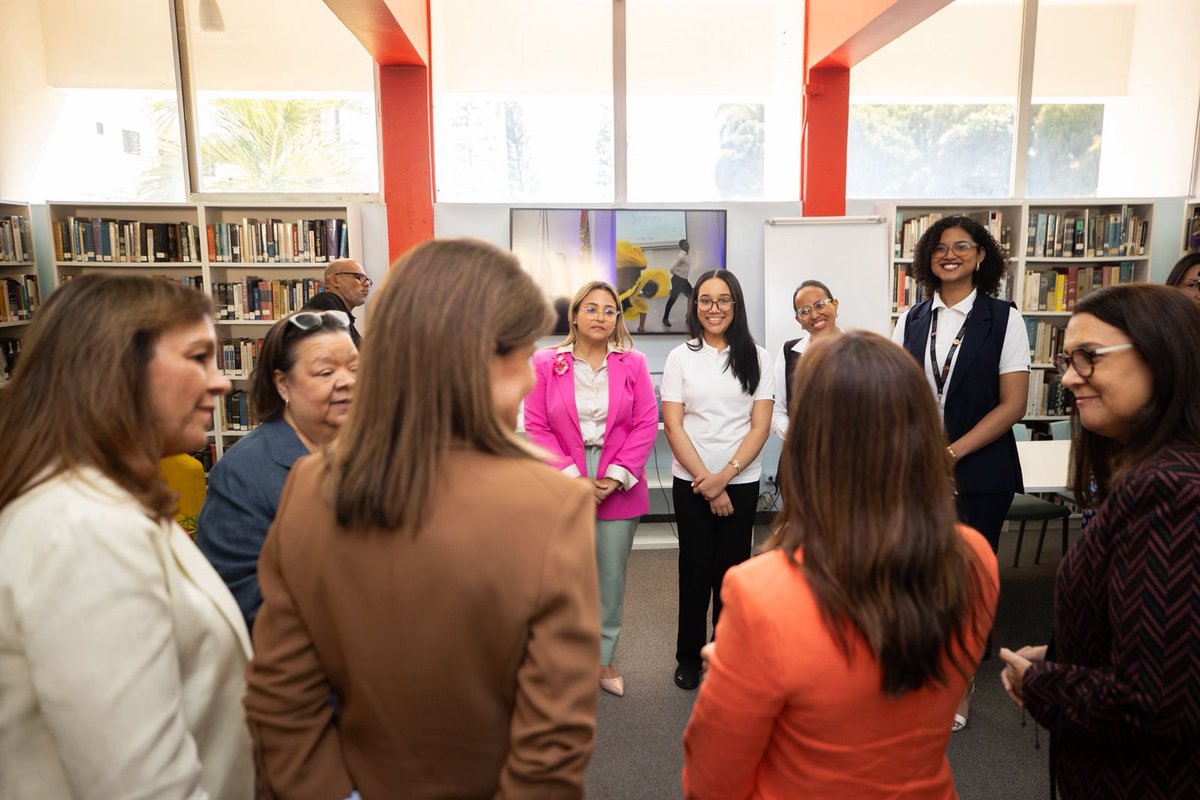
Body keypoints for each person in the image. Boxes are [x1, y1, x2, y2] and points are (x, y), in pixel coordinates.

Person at [244, 238, 600, 798]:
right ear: (472, 360)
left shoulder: (309, 487)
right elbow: (552, 741)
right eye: (521, 357)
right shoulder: (551, 507)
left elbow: (283, 697)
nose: (532, 379)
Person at [683, 332, 999, 799]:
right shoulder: (974, 558)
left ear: (810, 443)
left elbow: (712, 784)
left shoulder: (759, 591)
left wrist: (735, 674)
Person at [0, 275, 253, 799]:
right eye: (199, 357)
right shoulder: (85, 528)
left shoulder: (109, 503)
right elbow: (142, 785)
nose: (222, 382)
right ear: (117, 369)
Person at [1000, 285, 1200, 799]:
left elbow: (1156, 701)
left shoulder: (1168, 491)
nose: (1068, 377)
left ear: (1163, 355)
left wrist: (1043, 686)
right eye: (1068, 359)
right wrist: (1072, 654)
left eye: (1089, 358)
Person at [892, 214, 1029, 731]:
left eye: (962, 246)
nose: (950, 254)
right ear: (928, 258)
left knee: (968, 582)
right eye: (940, 247)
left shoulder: (1004, 318)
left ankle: (961, 682)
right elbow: (900, 394)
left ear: (980, 256)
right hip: (919, 471)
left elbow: (1012, 405)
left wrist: (951, 454)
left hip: (981, 470)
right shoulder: (911, 319)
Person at [524, 280, 659, 697]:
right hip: (562, 476)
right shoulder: (546, 362)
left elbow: (645, 422)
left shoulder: (632, 362)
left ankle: (602, 661)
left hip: (618, 478)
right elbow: (536, 426)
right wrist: (573, 477)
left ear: (617, 319)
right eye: (592, 309)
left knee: (609, 576)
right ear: (576, 315)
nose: (601, 316)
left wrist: (615, 475)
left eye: (609, 310)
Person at [196, 309, 357, 632]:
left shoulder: (376, 451)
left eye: (355, 368)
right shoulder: (243, 473)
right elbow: (240, 596)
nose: (347, 381)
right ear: (283, 384)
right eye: (326, 372)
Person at [662, 268, 774, 691]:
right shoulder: (680, 357)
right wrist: (705, 481)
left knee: (732, 573)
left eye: (723, 300)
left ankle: (724, 654)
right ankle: (689, 657)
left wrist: (724, 478)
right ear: (695, 306)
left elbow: (759, 427)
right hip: (690, 481)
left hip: (740, 483)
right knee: (693, 571)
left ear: (735, 305)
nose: (714, 308)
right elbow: (674, 426)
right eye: (705, 300)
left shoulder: (758, 357)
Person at [771, 279, 842, 441]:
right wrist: (801, 438)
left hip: (848, 457)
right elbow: (776, 411)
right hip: (799, 457)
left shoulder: (859, 351)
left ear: (835, 304)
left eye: (820, 305)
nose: (815, 315)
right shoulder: (788, 353)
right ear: (798, 320)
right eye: (805, 311)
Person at [303, 257, 370, 346]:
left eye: (367, 280)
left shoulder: (337, 308)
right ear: (334, 280)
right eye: (359, 277)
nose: (367, 284)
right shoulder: (323, 304)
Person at [661, 238, 692, 327]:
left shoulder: (686, 255)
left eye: (687, 244)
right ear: (681, 247)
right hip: (678, 280)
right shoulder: (681, 256)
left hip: (684, 280)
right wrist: (677, 275)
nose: (687, 245)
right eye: (685, 245)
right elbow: (671, 268)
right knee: (672, 299)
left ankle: (688, 316)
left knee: (692, 296)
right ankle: (665, 319)